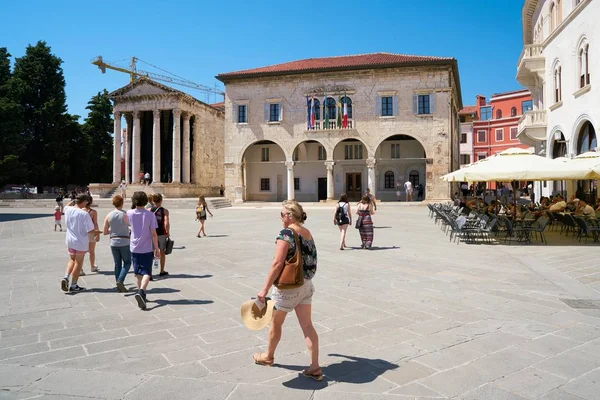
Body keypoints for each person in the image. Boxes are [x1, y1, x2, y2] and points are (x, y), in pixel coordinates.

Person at [254, 200, 321, 381]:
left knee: (275, 324)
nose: (281, 217)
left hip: (289, 287)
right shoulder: (307, 232)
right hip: (306, 285)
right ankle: (315, 366)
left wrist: (264, 289)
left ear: (290, 216)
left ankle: (268, 356)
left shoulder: (286, 233)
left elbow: (277, 263)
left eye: (282, 214)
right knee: (307, 326)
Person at [127, 191, 160, 310]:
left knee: (138, 273)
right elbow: (154, 234)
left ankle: (142, 295)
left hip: (134, 247)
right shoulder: (150, 215)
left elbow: (129, 225)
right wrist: (157, 248)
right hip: (146, 247)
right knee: (147, 272)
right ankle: (141, 291)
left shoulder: (129, 213)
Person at [61, 195, 95, 293]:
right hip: (81, 241)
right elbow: (91, 229)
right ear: (84, 202)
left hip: (70, 240)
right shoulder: (84, 214)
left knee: (72, 259)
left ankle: (66, 276)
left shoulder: (67, 209)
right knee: (78, 262)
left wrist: (73, 201)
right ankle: (73, 284)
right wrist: (93, 238)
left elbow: (67, 205)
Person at [103, 195, 131, 293]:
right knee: (127, 262)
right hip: (124, 241)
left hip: (113, 242)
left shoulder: (109, 215)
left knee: (117, 263)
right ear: (122, 203)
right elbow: (131, 226)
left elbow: (105, 231)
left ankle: (118, 286)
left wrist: (113, 230)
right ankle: (120, 280)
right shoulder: (125, 214)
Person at [150, 193, 170, 277]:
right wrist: (167, 232)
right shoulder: (165, 211)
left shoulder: (149, 210)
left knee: (151, 252)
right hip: (161, 233)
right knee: (162, 252)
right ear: (161, 201)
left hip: (151, 233)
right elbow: (166, 223)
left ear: (153, 201)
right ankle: (162, 271)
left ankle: (149, 273)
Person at [82, 195, 100, 275]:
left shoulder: (80, 211)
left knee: (81, 252)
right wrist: (97, 233)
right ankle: (92, 266)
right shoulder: (93, 212)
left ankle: (80, 269)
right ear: (91, 202)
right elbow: (95, 223)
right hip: (91, 233)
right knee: (92, 252)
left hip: (82, 233)